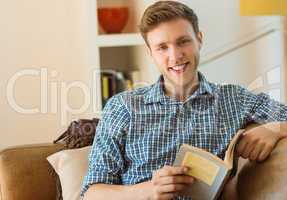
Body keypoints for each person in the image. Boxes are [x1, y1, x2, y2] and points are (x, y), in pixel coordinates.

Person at [81, 1, 287, 199]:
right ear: (150, 52)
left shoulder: (235, 99)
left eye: (183, 41)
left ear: (199, 39)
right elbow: (91, 193)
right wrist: (149, 191)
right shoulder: (122, 107)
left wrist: (275, 128)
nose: (176, 55)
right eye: (162, 47)